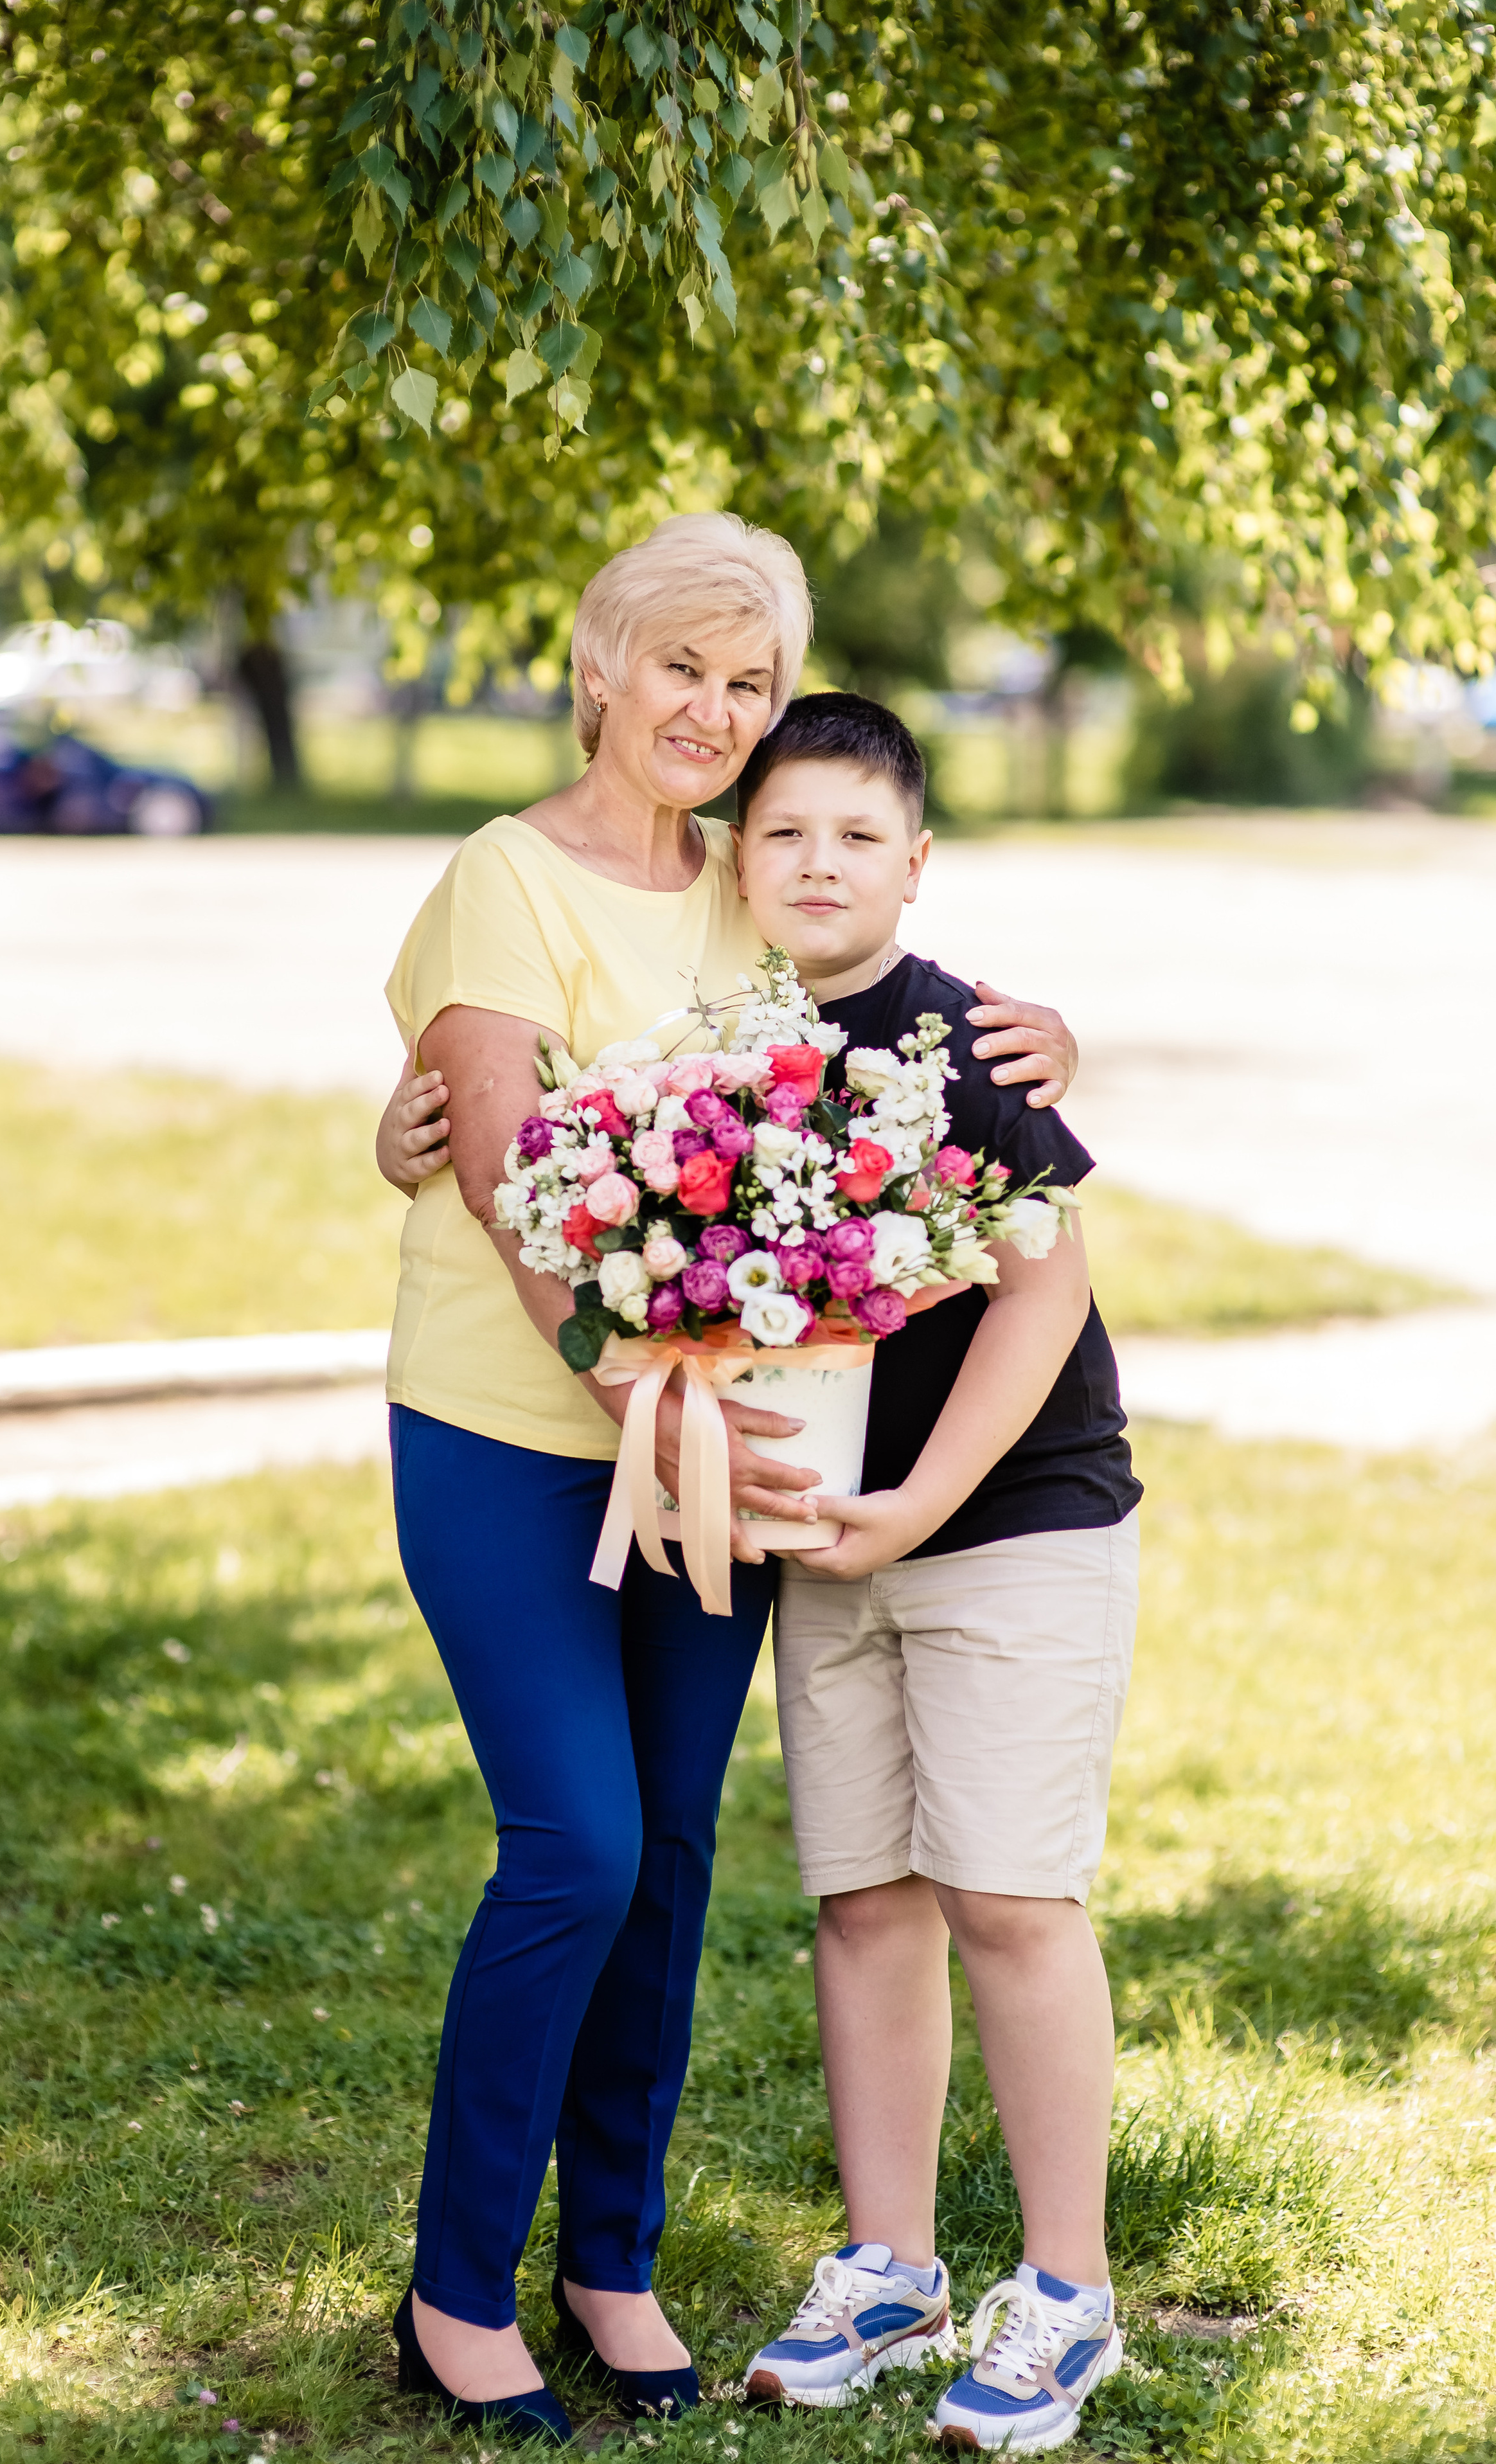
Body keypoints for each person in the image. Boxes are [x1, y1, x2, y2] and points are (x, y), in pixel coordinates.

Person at [371, 517, 1082, 2443]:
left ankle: (612, 2255)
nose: (714, 712)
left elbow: (887, 1011)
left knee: (675, 1858)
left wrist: (1053, 1046)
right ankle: (454, 2287)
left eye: (750, 683)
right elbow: (521, 1185)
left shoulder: (752, 891)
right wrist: (636, 1396)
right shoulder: (503, 880)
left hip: (728, 1451)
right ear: (600, 666)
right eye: (681, 667)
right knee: (578, 1847)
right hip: (524, 1436)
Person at [720, 695, 1141, 2457]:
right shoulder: (715, 1040)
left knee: (1008, 1897)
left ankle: (1066, 2294)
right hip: (833, 1530)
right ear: (735, 859)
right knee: (864, 1899)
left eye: (857, 836)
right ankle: (890, 2266)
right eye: (784, 832)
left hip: (1010, 1519)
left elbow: (1042, 1292)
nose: (819, 864)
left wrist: (918, 1502)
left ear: (916, 862)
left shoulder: (962, 1039)